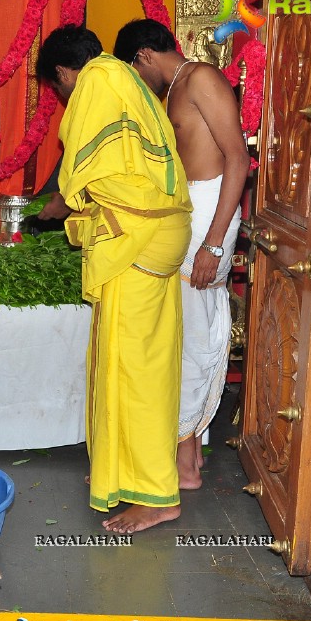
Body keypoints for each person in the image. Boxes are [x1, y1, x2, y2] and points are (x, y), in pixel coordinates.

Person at [35, 26, 191, 533]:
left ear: (63, 72)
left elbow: (84, 175)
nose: (63, 99)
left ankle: (156, 495)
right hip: (156, 232)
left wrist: (56, 209)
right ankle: (120, 470)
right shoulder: (126, 78)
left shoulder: (99, 81)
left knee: (135, 371)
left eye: (58, 90)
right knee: (133, 361)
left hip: (138, 236)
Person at [113, 19, 250, 490]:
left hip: (209, 215)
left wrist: (214, 242)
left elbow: (238, 157)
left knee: (190, 335)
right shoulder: (173, 91)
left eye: (134, 69)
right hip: (190, 214)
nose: (137, 79)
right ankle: (188, 447)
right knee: (181, 332)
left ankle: (185, 465)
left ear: (144, 56)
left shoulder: (201, 79)